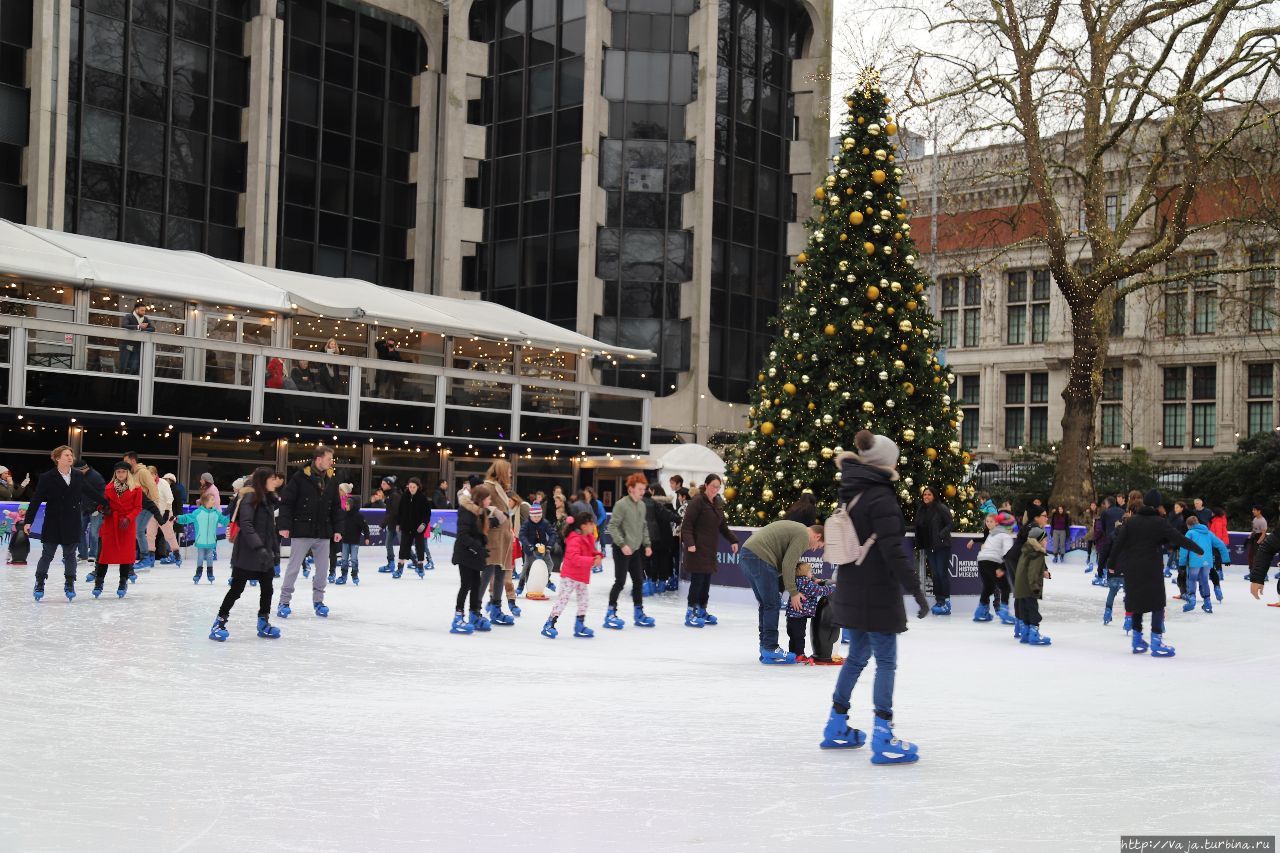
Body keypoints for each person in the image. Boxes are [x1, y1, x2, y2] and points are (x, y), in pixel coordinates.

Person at [822, 431, 927, 763]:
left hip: (851, 589)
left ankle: (836, 724)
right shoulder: (881, 498)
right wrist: (916, 590)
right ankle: (883, 735)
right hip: (877, 593)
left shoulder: (851, 491)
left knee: (855, 659)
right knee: (886, 662)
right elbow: (894, 552)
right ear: (887, 463)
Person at [1107, 490, 1201, 658]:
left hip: (1132, 568)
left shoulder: (1131, 522)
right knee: (1157, 603)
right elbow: (1179, 538)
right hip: (1151, 569)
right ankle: (1156, 641)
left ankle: (1137, 640)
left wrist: (1111, 565)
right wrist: (1198, 549)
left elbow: (1118, 544)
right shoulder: (1160, 522)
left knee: (1135, 602)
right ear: (1157, 504)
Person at [209, 467, 284, 642]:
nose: (275, 482)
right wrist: (259, 548)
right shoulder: (251, 498)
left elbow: (271, 529)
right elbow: (247, 524)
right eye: (272, 479)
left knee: (267, 589)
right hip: (247, 553)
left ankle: (263, 622)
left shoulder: (267, 499)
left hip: (264, 554)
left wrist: (274, 551)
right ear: (263, 480)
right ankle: (219, 622)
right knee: (236, 589)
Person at [26, 446, 106, 601]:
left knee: (70, 555)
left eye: (71, 455)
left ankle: (69, 583)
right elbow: (36, 500)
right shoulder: (47, 477)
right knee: (47, 555)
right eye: (67, 455)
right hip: (53, 522)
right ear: (57, 458)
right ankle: (40, 582)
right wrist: (28, 521)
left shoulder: (77, 475)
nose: (71, 457)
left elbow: (91, 492)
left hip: (72, 522)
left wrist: (107, 503)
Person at [740, 518, 824, 665]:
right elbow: (788, 564)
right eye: (819, 545)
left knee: (766, 604)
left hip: (748, 554)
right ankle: (770, 647)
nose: (815, 549)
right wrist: (794, 592)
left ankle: (765, 647)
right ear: (817, 536)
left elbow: (791, 563)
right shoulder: (803, 535)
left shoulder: (798, 529)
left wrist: (812, 577)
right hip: (760, 557)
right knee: (772, 604)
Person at [277, 445, 343, 620]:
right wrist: (284, 525)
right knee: (293, 568)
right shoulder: (299, 477)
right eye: (329, 459)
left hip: (323, 532)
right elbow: (286, 503)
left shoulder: (331, 479)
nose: (331, 463)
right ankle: (284, 601)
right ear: (318, 459)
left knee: (322, 569)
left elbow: (336, 507)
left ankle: (319, 601)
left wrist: (337, 529)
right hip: (302, 530)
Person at [679, 474, 737, 629]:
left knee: (705, 582)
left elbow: (722, 526)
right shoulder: (697, 502)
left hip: (709, 549)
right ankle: (690, 612)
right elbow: (687, 526)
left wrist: (733, 540)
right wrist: (690, 543)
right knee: (697, 581)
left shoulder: (718, 503)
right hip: (696, 549)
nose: (715, 490)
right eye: (713, 486)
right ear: (706, 485)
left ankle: (702, 610)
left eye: (718, 487)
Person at [602, 473, 655, 629]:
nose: (642, 492)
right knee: (620, 582)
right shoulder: (621, 505)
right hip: (621, 550)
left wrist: (647, 544)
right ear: (631, 489)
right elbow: (612, 526)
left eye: (644, 489)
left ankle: (639, 613)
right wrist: (622, 544)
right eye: (640, 489)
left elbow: (643, 526)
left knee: (639, 581)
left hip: (636, 550)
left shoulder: (642, 505)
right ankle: (610, 613)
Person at [541, 511, 602, 639]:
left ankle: (579, 625)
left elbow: (591, 551)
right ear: (584, 526)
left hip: (581, 575)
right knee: (563, 599)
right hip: (570, 575)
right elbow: (574, 558)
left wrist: (597, 555)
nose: (593, 526)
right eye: (591, 524)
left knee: (584, 601)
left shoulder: (589, 537)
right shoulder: (574, 538)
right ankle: (549, 623)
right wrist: (591, 561)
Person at [475, 460, 517, 625]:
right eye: (508, 471)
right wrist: (495, 512)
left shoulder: (500, 488)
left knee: (500, 573)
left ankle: (496, 609)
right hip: (493, 537)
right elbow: (477, 506)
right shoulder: (487, 486)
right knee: (487, 573)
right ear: (501, 471)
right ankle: (475, 610)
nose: (510, 474)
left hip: (504, 538)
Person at [92, 462, 143, 599]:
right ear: (115, 473)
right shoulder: (108, 488)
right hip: (110, 524)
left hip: (126, 525)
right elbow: (101, 504)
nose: (120, 474)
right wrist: (103, 509)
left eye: (123, 471)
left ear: (128, 473)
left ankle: (123, 582)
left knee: (125, 556)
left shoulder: (137, 489)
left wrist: (129, 518)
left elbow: (138, 507)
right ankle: (99, 583)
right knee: (105, 555)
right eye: (118, 472)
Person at [451, 484, 493, 634]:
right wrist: (478, 548)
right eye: (488, 499)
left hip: (474, 554)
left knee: (476, 584)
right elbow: (462, 535)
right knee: (466, 584)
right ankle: (458, 617)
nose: (490, 501)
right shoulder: (467, 512)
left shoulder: (480, 512)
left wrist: (482, 544)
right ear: (481, 499)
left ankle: (474, 614)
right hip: (465, 553)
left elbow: (477, 532)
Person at [786, 561, 838, 663]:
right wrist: (832, 588)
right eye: (811, 572)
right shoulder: (806, 583)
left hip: (792, 615)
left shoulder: (796, 581)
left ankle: (793, 654)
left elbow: (812, 586)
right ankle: (800, 655)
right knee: (800, 636)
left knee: (793, 636)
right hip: (799, 616)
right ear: (805, 573)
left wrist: (814, 580)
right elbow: (819, 591)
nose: (812, 574)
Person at [914, 486, 953, 615]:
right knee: (935, 574)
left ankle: (946, 602)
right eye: (925, 494)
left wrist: (941, 535)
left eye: (929, 494)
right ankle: (939, 600)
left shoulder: (941, 508)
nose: (926, 497)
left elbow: (950, 524)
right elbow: (919, 526)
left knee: (942, 574)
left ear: (934, 496)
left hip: (941, 546)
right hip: (929, 547)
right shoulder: (922, 510)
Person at [1178, 516, 1229, 614]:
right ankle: (1207, 603)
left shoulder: (1190, 533)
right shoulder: (1208, 533)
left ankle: (1192, 600)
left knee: (1192, 579)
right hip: (1207, 562)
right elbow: (1221, 544)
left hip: (1195, 561)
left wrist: (1182, 563)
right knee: (1204, 580)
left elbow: (1184, 548)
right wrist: (1226, 559)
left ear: (1189, 525)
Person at [974, 511, 1017, 624]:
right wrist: (1002, 567)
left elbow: (985, 549)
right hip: (993, 561)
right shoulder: (1006, 536)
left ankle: (980, 611)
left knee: (988, 586)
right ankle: (1004, 612)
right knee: (1005, 587)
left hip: (981, 560)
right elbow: (1008, 554)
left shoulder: (992, 534)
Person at [1013, 526, 1053, 645]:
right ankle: (1034, 634)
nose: (1047, 542)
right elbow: (1033, 572)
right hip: (1030, 586)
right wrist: (1035, 588)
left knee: (1025, 609)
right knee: (1033, 610)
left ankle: (1025, 633)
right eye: (1045, 540)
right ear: (1038, 541)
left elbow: (1027, 569)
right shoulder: (1037, 553)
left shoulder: (1026, 550)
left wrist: (1043, 573)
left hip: (1021, 586)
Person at [177, 491, 222, 584]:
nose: (214, 501)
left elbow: (224, 520)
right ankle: (198, 573)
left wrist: (233, 520)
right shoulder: (198, 512)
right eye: (212, 500)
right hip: (200, 540)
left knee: (210, 557)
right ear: (206, 502)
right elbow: (187, 517)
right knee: (200, 557)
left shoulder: (216, 513)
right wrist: (178, 518)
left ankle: (210, 573)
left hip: (211, 541)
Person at [393, 476, 432, 578]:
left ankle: (420, 567)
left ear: (418, 487)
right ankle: (399, 569)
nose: (411, 489)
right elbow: (400, 512)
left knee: (420, 547)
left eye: (414, 487)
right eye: (410, 487)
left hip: (418, 528)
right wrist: (398, 523)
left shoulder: (423, 498)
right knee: (403, 547)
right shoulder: (404, 497)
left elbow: (427, 514)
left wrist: (423, 524)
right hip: (406, 527)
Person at [517, 502, 558, 596]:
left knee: (550, 564)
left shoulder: (544, 523)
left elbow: (553, 534)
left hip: (543, 549)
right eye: (534, 517)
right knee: (527, 566)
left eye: (539, 516)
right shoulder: (526, 524)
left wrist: (549, 546)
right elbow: (522, 535)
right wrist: (528, 545)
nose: (536, 519)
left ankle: (546, 579)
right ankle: (521, 585)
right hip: (530, 550)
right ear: (530, 516)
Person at [643, 484, 677, 594]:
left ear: (652, 491)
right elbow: (673, 516)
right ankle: (662, 583)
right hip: (666, 536)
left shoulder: (650, 504)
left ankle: (652, 582)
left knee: (653, 560)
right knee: (664, 559)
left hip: (655, 536)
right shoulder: (668, 503)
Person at [148, 464, 182, 566]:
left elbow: (170, 498)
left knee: (169, 535)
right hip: (152, 513)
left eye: (150, 475)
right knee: (150, 535)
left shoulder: (163, 483)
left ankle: (176, 554)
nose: (148, 478)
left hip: (164, 512)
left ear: (155, 474)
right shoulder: (146, 484)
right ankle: (150, 556)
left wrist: (167, 512)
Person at [336, 485, 369, 585]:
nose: (345, 506)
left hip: (354, 542)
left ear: (353, 505)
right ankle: (343, 576)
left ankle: (354, 575)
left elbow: (365, 527)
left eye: (347, 504)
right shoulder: (344, 515)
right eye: (345, 504)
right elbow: (341, 526)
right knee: (344, 559)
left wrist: (367, 537)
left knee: (354, 559)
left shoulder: (359, 516)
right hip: (345, 541)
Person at [74, 458, 105, 565]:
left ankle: (93, 555)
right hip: (83, 508)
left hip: (96, 510)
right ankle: (82, 555)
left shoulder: (96, 477)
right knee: (78, 531)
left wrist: (98, 507)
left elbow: (103, 493)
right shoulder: (78, 476)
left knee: (93, 533)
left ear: (83, 469)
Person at [374, 476, 402, 573]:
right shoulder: (389, 495)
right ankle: (391, 564)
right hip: (392, 525)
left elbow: (393, 512)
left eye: (384, 484)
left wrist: (382, 524)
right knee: (388, 544)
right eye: (382, 483)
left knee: (403, 545)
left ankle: (416, 563)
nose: (382, 485)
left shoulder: (395, 495)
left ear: (389, 485)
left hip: (398, 525)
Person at [119, 300, 153, 375]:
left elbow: (152, 329)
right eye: (142, 310)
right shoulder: (128, 316)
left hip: (137, 347)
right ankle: (120, 382)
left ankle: (129, 383)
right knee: (123, 366)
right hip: (126, 345)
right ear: (136, 310)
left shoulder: (145, 319)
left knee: (134, 367)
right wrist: (138, 326)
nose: (144, 312)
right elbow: (124, 325)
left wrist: (142, 328)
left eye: (144, 310)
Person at [1208, 507, 1229, 601]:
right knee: (1216, 557)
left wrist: (1217, 542)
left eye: (1212, 512)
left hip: (1218, 541)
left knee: (1216, 557)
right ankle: (1219, 572)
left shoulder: (1218, 521)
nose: (1211, 514)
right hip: (1218, 541)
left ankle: (1219, 572)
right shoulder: (1215, 520)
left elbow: (1218, 533)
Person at [1247, 505, 1269, 581]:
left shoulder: (1263, 521)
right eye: (1253, 510)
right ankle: (1252, 572)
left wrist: (1259, 542)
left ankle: (1264, 574)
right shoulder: (1255, 519)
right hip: (1254, 538)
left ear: (1259, 511)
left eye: (1254, 510)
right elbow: (1254, 530)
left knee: (1259, 557)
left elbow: (1263, 533)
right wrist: (1249, 537)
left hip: (1260, 539)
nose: (1253, 511)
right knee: (1251, 556)